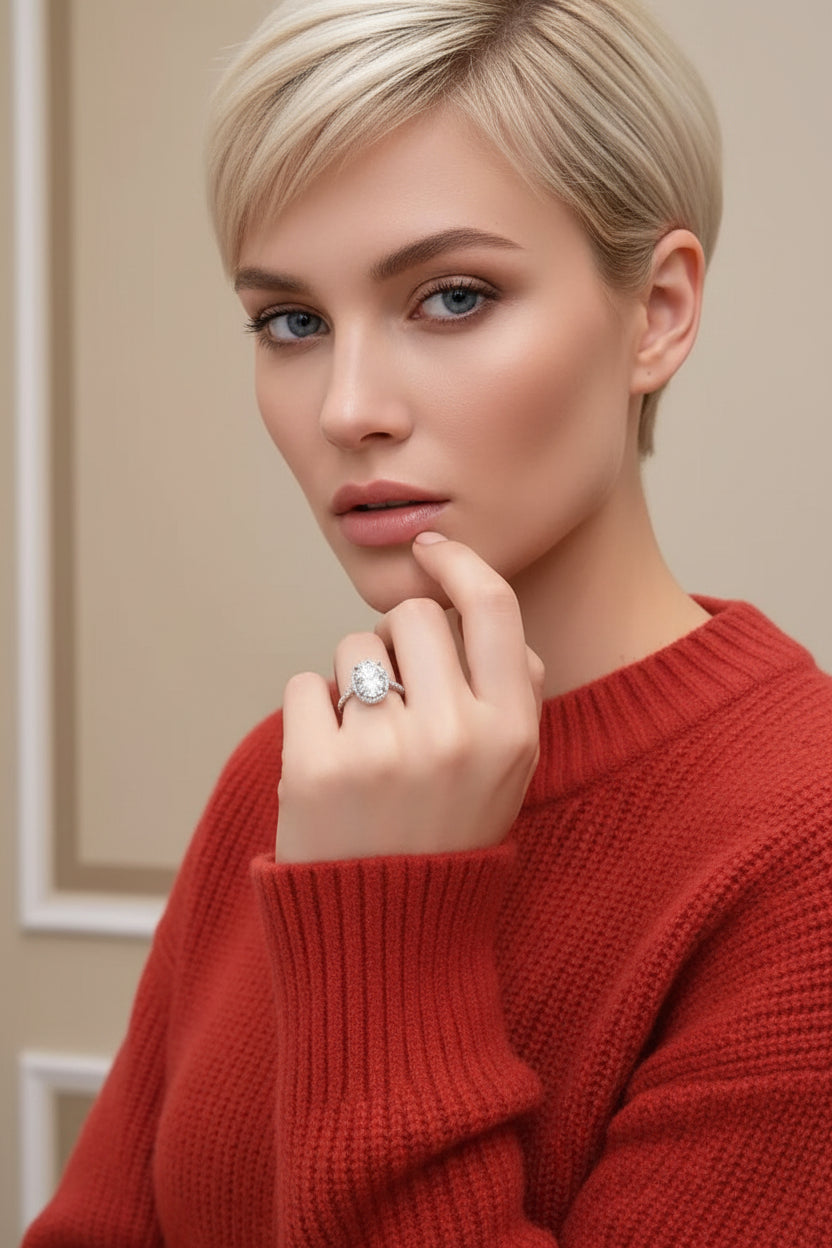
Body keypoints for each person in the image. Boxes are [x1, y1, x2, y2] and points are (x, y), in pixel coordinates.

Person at [23, 0, 832, 1244]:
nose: (348, 406)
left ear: (658, 312)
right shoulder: (284, 778)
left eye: (451, 297)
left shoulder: (801, 852)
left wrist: (392, 915)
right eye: (290, 321)